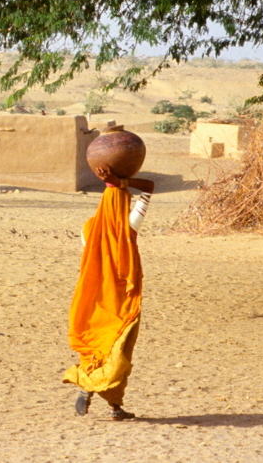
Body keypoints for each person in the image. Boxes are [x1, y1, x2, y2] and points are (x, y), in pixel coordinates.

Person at [63, 164, 154, 420]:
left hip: (94, 300)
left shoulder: (88, 228)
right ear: (125, 203)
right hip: (123, 301)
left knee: (95, 347)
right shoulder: (131, 224)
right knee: (121, 351)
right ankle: (114, 406)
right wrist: (122, 181)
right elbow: (149, 189)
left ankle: (88, 386)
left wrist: (111, 183)